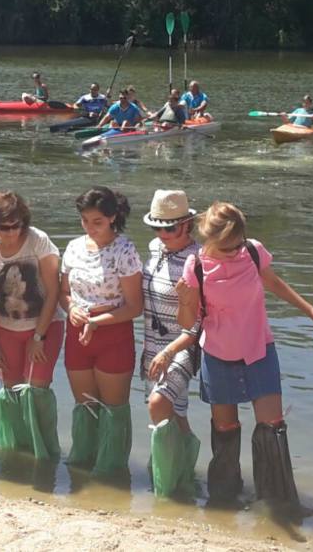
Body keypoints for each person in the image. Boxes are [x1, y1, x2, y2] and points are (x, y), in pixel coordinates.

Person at [176, 201, 313, 508]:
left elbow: (275, 283)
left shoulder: (252, 252)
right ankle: (224, 499)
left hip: (258, 351)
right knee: (225, 431)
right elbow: (187, 323)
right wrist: (185, 301)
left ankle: (276, 502)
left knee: (272, 427)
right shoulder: (195, 266)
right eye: (228, 248)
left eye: (239, 243)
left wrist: (312, 311)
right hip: (218, 354)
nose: (236, 251)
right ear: (209, 240)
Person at [61, 187, 143, 476]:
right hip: (77, 333)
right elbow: (63, 293)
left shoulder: (125, 250)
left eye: (96, 221)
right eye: (84, 220)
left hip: (113, 334)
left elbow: (135, 307)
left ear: (112, 217)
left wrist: (97, 322)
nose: (89, 227)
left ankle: (111, 474)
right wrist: (71, 308)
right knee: (84, 406)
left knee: (112, 409)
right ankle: (82, 468)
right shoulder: (73, 248)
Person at [0, 191, 64, 459]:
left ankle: (43, 455)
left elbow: (54, 292)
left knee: (36, 392)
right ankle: (16, 455)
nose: (12, 233)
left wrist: (38, 336)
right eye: (5, 227)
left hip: (44, 324)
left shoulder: (38, 241)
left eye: (17, 226)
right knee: (12, 394)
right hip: (5, 327)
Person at [140, 190, 202, 497]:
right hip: (152, 344)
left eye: (170, 228)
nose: (162, 234)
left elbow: (198, 325)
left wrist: (168, 352)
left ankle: (164, 484)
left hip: (183, 346)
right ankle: (184, 472)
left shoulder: (199, 260)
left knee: (158, 403)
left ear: (187, 225)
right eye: (157, 227)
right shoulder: (154, 249)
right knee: (175, 413)